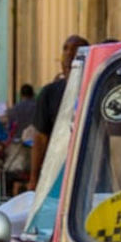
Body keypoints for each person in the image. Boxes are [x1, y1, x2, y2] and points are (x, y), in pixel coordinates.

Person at [30, 35, 89, 188]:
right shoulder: (49, 93)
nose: (69, 54)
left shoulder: (94, 89)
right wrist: (34, 179)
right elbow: (40, 139)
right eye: (66, 49)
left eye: (76, 49)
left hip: (89, 171)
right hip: (57, 173)